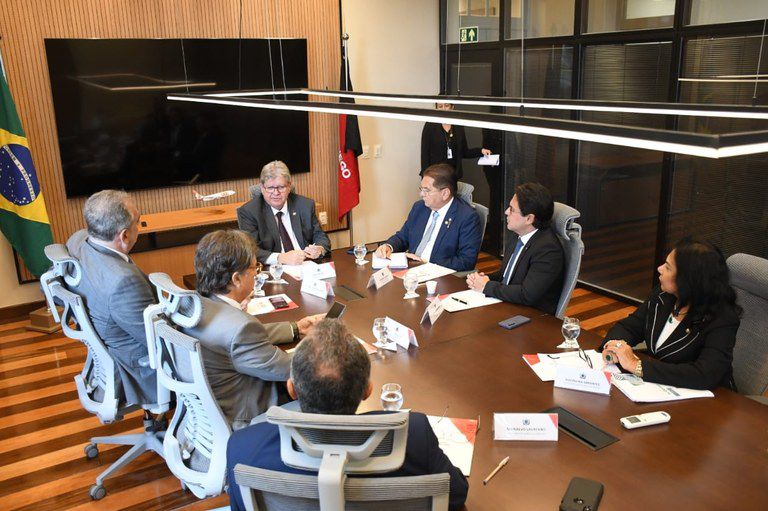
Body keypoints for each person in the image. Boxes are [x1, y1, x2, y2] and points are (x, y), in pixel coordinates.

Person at [226, 319, 469, 511]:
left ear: (291, 389)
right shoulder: (413, 435)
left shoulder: (243, 447)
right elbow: (456, 494)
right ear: (368, 390)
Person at [182, 230, 323, 429]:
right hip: (248, 418)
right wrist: (331, 350)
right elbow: (291, 369)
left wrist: (295, 328)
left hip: (208, 415)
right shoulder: (240, 327)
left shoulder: (196, 306)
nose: (257, 274)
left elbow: (238, 340)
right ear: (236, 279)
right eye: (255, 267)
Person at [600, 238, 741, 390]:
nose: (659, 269)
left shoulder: (722, 319)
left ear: (687, 280)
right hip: (659, 386)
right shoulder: (663, 295)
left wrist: (637, 365)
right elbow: (629, 327)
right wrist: (615, 347)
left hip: (708, 398)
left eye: (667, 267)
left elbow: (704, 374)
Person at [66, 189, 158, 408]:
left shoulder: (77, 241)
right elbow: (158, 340)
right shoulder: (124, 283)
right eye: (138, 222)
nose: (139, 227)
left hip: (108, 351)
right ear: (124, 235)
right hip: (140, 372)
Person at [466, 182, 564, 315]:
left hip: (530, 316)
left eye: (512, 209)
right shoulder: (518, 234)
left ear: (529, 218)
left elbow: (526, 295)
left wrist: (487, 286)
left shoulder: (548, 250)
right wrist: (483, 279)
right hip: (509, 304)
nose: (506, 212)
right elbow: (506, 275)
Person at [374, 163, 482, 271]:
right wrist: (389, 246)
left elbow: (466, 261)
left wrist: (426, 262)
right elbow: (403, 236)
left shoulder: (467, 217)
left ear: (445, 193)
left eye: (426, 190)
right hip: (411, 269)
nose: (421, 194)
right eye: (421, 189)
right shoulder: (419, 207)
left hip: (439, 275)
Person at [237, 160, 331, 265]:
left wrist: (320, 248)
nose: (276, 193)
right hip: (274, 268)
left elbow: (320, 235)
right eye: (270, 188)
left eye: (281, 187)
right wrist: (280, 257)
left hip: (306, 264)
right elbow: (250, 250)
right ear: (262, 188)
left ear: (289, 187)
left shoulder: (305, 205)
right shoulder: (249, 212)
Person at [421, 102, 490, 181]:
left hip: (452, 176)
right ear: (436, 108)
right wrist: (425, 177)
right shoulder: (430, 125)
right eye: (440, 106)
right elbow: (424, 154)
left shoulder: (458, 126)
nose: (443, 109)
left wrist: (481, 151)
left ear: (452, 107)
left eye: (446, 105)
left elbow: (464, 152)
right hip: (435, 176)